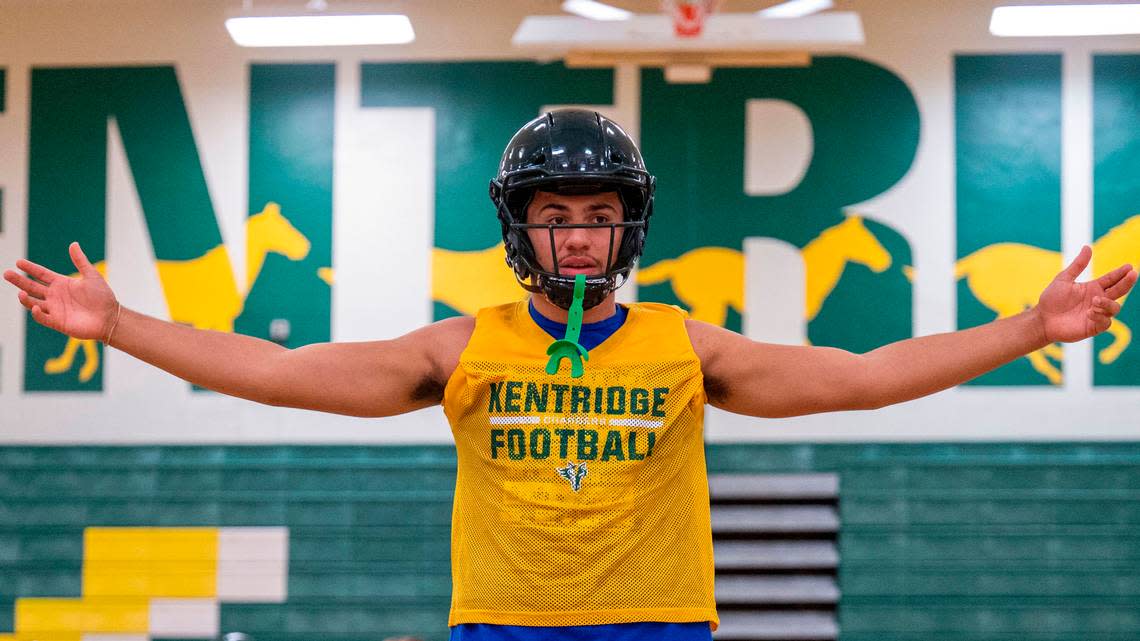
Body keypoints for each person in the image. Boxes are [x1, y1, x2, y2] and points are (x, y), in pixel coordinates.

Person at [5, 109, 1137, 641]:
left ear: (629, 227)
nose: (581, 237)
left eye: (601, 216)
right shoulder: (463, 346)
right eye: (558, 217)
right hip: (500, 626)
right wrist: (120, 325)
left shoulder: (689, 347)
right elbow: (280, 369)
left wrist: (1028, 329)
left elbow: (864, 373)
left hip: (658, 625)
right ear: (520, 229)